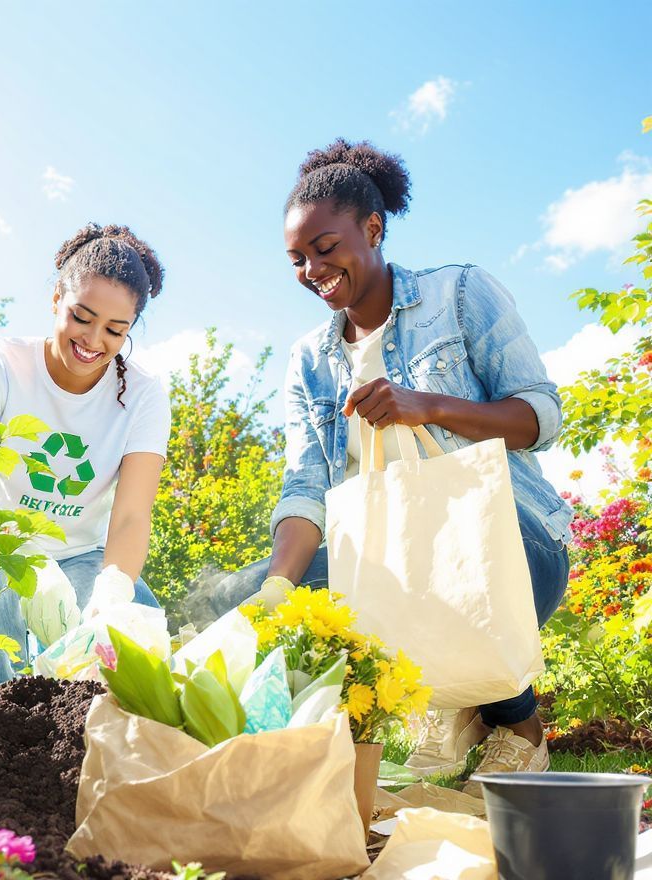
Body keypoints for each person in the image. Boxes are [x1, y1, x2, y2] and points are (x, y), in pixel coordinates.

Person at [210, 140, 571, 790]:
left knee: (439, 548)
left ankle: (515, 722)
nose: (312, 269)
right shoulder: (310, 360)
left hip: (515, 547)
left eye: (325, 247)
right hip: (389, 557)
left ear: (373, 229)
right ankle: (354, 743)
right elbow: (306, 487)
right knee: (239, 600)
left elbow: (540, 416)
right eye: (297, 259)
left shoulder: (458, 294)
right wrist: (275, 590)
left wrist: (425, 405)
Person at [0, 223, 171, 685]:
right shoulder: (1, 364)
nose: (93, 340)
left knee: (140, 641)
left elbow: (131, 517)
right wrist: (23, 555)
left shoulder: (145, 395)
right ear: (56, 300)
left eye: (115, 329)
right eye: (81, 317)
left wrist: (114, 585)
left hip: (82, 552)